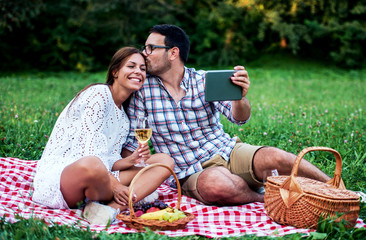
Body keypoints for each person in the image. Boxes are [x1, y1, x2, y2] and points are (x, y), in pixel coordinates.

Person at [122, 24, 331, 206]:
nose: (144, 53)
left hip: (227, 151)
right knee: (217, 184)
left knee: (276, 156)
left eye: (151, 48)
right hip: (190, 172)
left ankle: (338, 189)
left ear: (173, 53)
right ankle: (264, 198)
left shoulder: (204, 81)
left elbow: (239, 118)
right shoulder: (142, 89)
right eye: (145, 47)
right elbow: (132, 143)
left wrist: (239, 97)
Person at [33, 47, 174, 224]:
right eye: (131, 66)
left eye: (142, 68)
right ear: (115, 71)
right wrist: (116, 186)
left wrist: (131, 161)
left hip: (101, 179)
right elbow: (87, 153)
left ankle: (109, 210)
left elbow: (109, 160)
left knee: (164, 161)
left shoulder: (123, 117)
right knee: (92, 162)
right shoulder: (98, 94)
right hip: (67, 178)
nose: (138, 71)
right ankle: (129, 193)